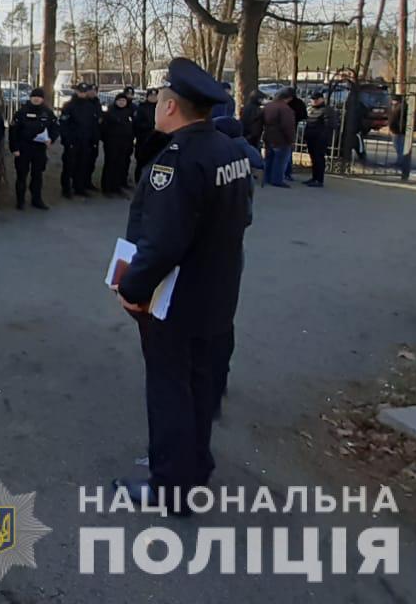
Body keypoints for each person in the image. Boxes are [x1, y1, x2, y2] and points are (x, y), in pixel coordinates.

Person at [109, 58, 252, 513]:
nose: (155, 107)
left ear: (171, 107)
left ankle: (169, 487)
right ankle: (191, 466)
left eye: (159, 101)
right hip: (218, 296)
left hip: (175, 301)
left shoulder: (175, 162)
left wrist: (131, 290)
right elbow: (241, 218)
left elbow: (163, 243)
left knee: (170, 391)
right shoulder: (231, 151)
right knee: (202, 385)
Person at [9, 87, 59, 210]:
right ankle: (20, 201)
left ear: (42, 99)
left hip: (39, 149)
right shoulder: (21, 112)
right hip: (23, 148)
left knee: (38, 175)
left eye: (39, 97)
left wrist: (51, 139)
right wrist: (14, 148)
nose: (36, 99)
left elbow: (55, 128)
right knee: (22, 175)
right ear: (30, 98)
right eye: (34, 96)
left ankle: (36, 199)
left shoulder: (47, 112)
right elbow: (13, 132)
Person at [60, 83, 100, 198]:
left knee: (83, 165)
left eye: (84, 91)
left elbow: (94, 125)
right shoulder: (68, 106)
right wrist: (67, 140)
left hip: (86, 141)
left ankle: (79, 187)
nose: (82, 94)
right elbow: (63, 125)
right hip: (73, 141)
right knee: (69, 165)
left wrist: (94, 139)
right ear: (76, 92)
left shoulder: (90, 106)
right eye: (80, 91)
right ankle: (66, 189)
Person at [252, 88, 296, 188]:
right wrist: (291, 139)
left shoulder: (268, 106)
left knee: (269, 159)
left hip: (268, 136)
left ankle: (267, 178)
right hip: (281, 139)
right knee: (280, 160)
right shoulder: (285, 109)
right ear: (288, 98)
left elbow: (259, 121)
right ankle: (277, 179)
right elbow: (287, 126)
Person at [100, 92, 136, 196]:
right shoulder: (110, 112)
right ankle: (107, 187)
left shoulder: (128, 112)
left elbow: (131, 127)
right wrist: (106, 140)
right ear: (116, 101)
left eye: (123, 101)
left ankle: (117, 186)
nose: (121, 103)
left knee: (120, 165)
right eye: (119, 101)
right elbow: (103, 128)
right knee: (110, 164)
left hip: (125, 143)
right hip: (112, 143)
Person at [300, 90, 337, 187]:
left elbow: (330, 126)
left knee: (319, 159)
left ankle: (319, 180)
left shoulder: (327, 110)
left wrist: (323, 138)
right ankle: (314, 177)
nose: (314, 101)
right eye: (313, 99)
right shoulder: (311, 109)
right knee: (314, 159)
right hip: (311, 138)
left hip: (320, 140)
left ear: (322, 99)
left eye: (316, 99)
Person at [132, 89, 164, 183]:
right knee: (142, 162)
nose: (153, 98)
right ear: (147, 96)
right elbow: (137, 124)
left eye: (155, 96)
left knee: (155, 162)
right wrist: (151, 127)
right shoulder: (142, 107)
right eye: (151, 96)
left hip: (158, 139)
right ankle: (139, 181)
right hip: (144, 139)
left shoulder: (161, 107)